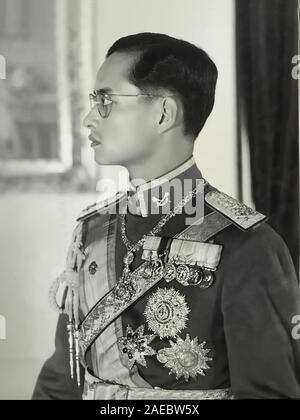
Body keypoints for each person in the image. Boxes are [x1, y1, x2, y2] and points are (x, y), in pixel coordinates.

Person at [32, 32, 300, 400]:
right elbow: (64, 379)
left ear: (163, 114)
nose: (89, 117)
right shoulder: (92, 232)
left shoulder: (247, 245)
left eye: (106, 100)